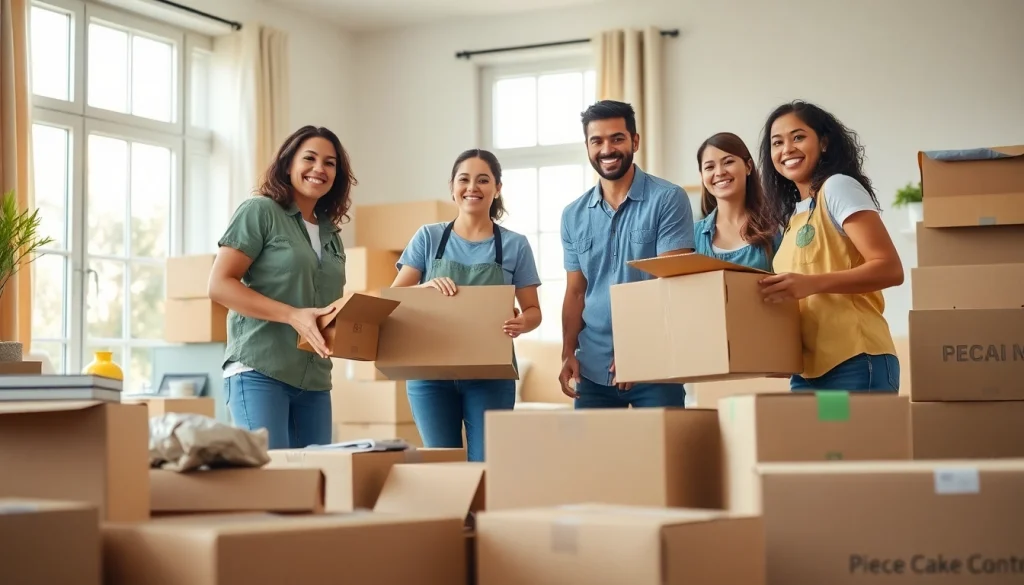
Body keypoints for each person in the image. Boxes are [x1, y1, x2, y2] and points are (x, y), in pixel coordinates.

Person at [391, 149, 541, 462]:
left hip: (492, 375)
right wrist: (425, 287)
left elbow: (533, 312)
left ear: (497, 188)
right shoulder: (428, 238)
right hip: (430, 376)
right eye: (464, 179)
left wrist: (522, 323)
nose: (472, 187)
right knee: (442, 464)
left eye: (483, 180)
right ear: (452, 187)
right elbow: (393, 299)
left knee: (486, 466)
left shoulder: (515, 245)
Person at [209, 125, 354, 449]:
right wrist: (291, 315)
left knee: (314, 486)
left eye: (330, 163)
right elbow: (219, 285)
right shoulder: (259, 211)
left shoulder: (331, 234)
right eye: (310, 158)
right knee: (272, 482)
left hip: (315, 379)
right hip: (260, 369)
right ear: (288, 164)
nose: (319, 169)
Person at [757, 100, 904, 392]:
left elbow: (890, 268)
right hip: (806, 373)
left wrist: (812, 283)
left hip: (855, 361)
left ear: (823, 143)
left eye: (798, 137)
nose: (787, 149)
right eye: (777, 142)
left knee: (853, 440)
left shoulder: (837, 188)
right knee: (813, 440)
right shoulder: (792, 218)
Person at [559, 100, 695, 408]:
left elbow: (673, 282)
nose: (607, 149)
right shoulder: (572, 215)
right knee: (593, 458)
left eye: (617, 138)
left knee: (665, 456)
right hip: (592, 370)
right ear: (588, 147)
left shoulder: (668, 199)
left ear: (634, 141)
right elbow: (576, 292)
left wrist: (638, 346)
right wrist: (568, 352)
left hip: (657, 365)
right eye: (597, 141)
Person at [694, 132, 782, 272]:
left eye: (728, 162)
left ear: (748, 166)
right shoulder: (692, 235)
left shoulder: (775, 227)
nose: (719, 172)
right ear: (702, 176)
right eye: (709, 167)